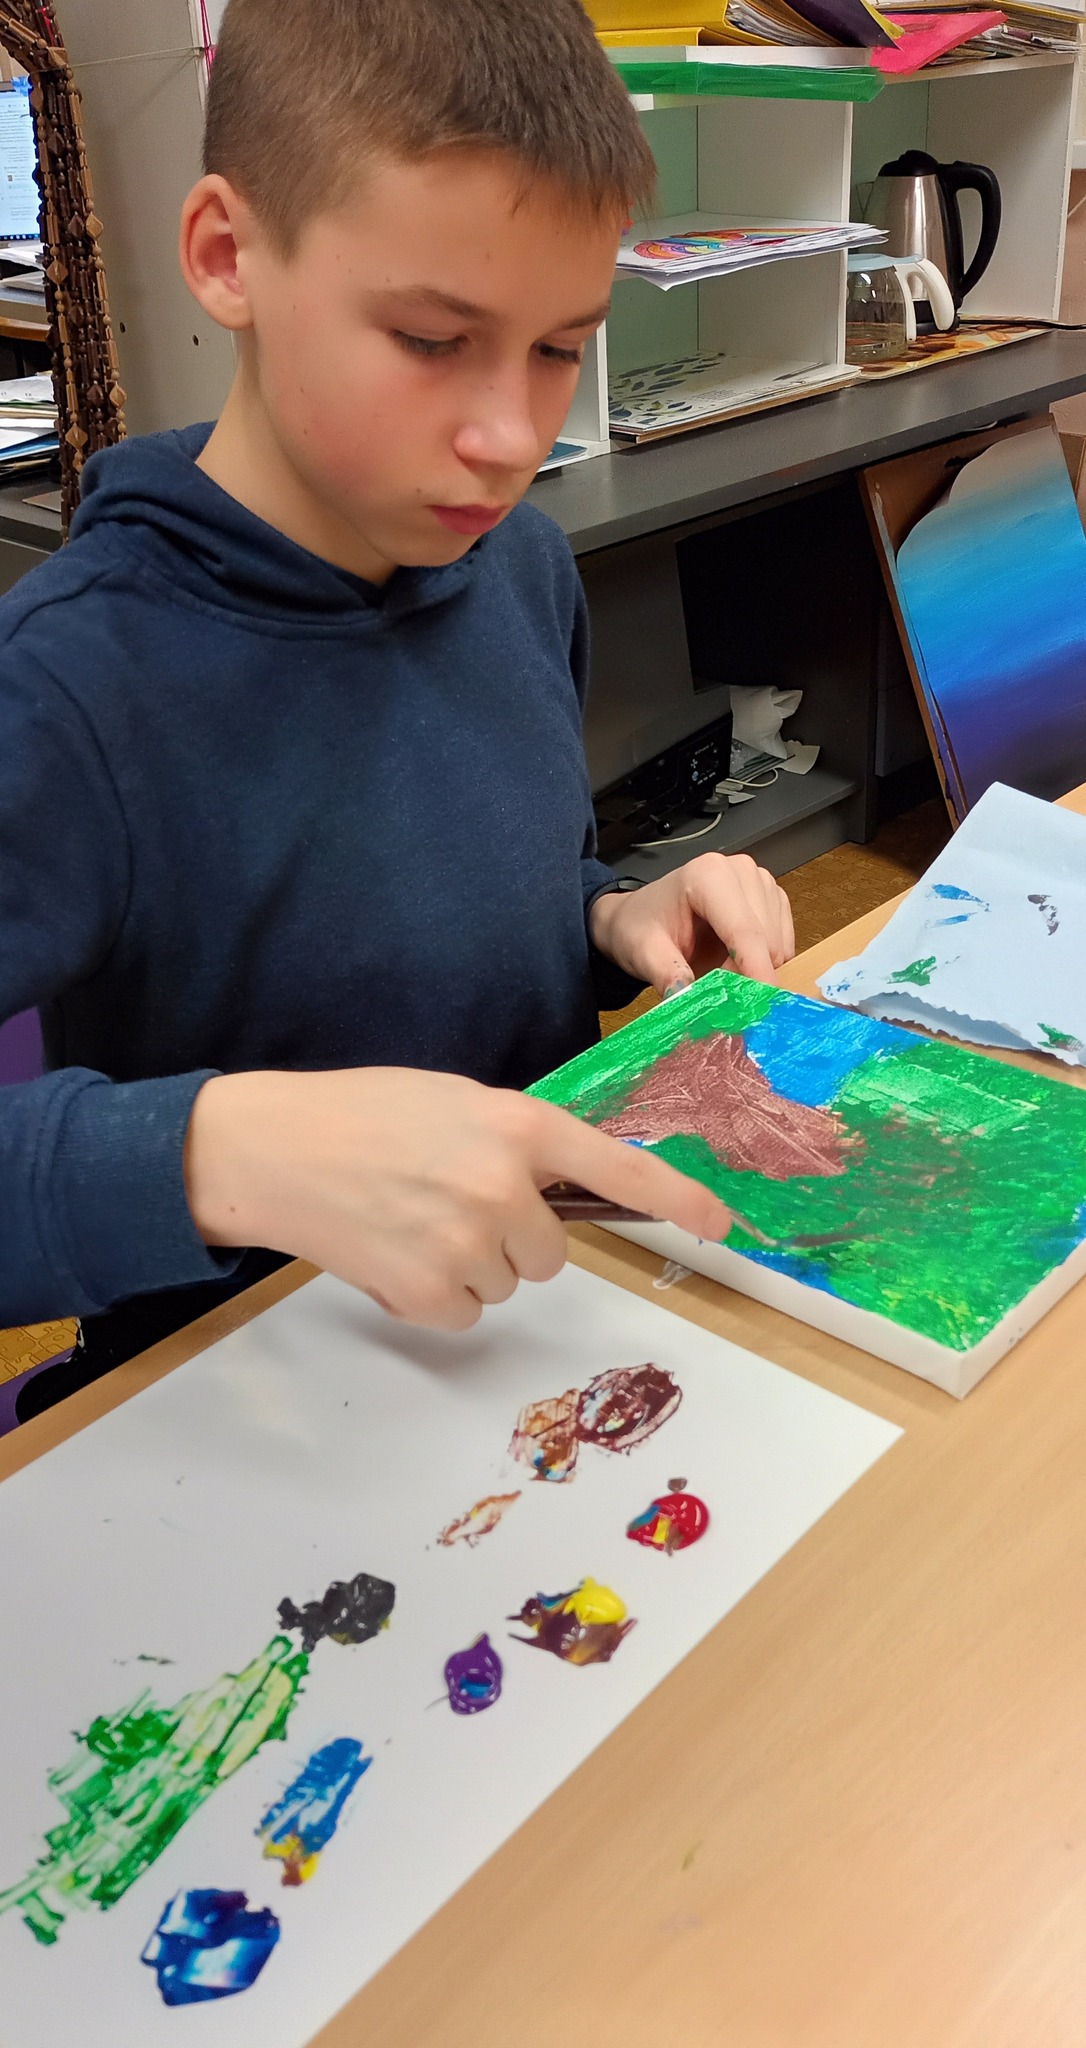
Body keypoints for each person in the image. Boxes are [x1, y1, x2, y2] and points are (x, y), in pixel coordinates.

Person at [0, 0, 794, 1336]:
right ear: (228, 256)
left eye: (558, 348)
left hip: (547, 1328)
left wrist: (610, 917)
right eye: (431, 340)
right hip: (256, 1395)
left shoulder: (519, 567)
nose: (509, 436)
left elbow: (479, 888)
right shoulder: (69, 688)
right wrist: (216, 1156)